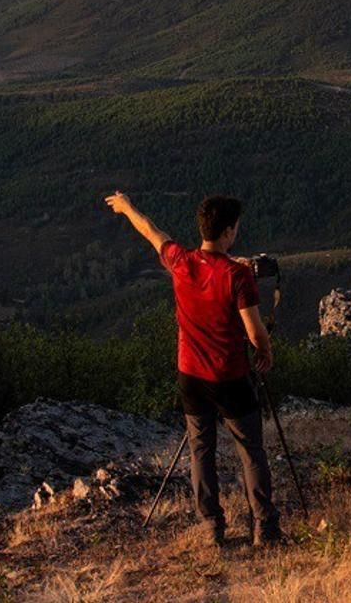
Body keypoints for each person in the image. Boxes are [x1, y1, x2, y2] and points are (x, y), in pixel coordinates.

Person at [106, 191, 282, 547]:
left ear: (203, 228)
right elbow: (254, 330)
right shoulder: (238, 276)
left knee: (201, 449)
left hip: (191, 375)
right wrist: (265, 352)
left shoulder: (181, 261)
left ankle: (211, 525)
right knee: (250, 449)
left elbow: (151, 231)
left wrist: (126, 207)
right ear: (229, 231)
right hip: (230, 375)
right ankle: (264, 526)